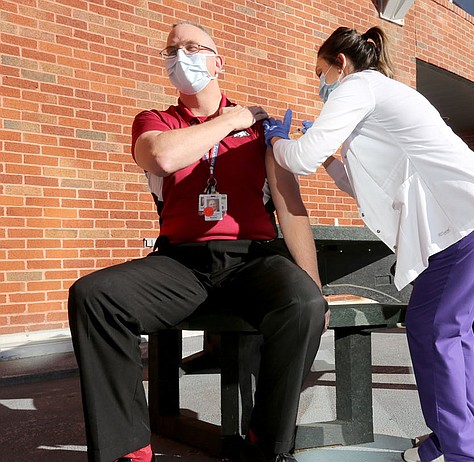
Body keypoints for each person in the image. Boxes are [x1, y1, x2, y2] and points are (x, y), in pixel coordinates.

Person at [67, 21, 328, 462]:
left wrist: (316, 285)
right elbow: (164, 157)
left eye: (193, 47)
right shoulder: (157, 122)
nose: (180, 56)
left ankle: (266, 445)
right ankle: (129, 448)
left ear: (218, 62)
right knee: (93, 297)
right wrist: (232, 119)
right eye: (172, 50)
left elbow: (290, 209)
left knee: (303, 304)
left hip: (251, 260)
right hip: (179, 263)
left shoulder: (261, 131)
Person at [265, 26, 474, 462]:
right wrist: (331, 157)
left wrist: (275, 139)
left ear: (340, 64)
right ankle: (458, 441)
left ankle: (462, 453)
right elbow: (359, 185)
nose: (320, 84)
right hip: (473, 217)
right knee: (442, 331)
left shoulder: (359, 86)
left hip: (470, 217)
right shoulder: (379, 98)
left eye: (319, 73)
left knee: (438, 331)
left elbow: (300, 157)